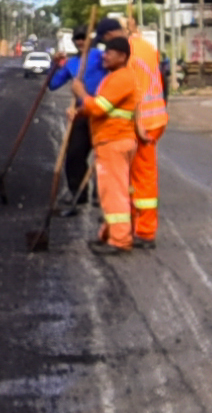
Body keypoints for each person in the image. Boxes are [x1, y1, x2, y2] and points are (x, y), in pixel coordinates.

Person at [72, 34, 145, 254]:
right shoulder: (115, 77)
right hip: (113, 140)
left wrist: (81, 94)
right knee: (112, 192)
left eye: (109, 53)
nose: (104, 56)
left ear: (122, 56)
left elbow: (99, 108)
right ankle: (109, 233)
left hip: (113, 141)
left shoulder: (121, 78)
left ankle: (120, 240)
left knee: (114, 192)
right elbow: (98, 108)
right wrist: (79, 111)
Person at [46, 23, 108, 215]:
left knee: (105, 157)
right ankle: (78, 194)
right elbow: (54, 84)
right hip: (82, 113)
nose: (81, 41)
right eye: (77, 39)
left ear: (91, 39)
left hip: (103, 112)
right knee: (73, 155)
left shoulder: (100, 56)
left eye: (84, 38)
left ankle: (104, 195)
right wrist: (54, 65)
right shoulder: (72, 63)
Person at [125, 21, 170, 248]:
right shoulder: (148, 48)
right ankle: (135, 224)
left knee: (142, 177)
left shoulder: (128, 54)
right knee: (137, 176)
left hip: (144, 123)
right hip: (157, 117)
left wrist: (138, 125)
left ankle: (144, 230)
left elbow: (135, 92)